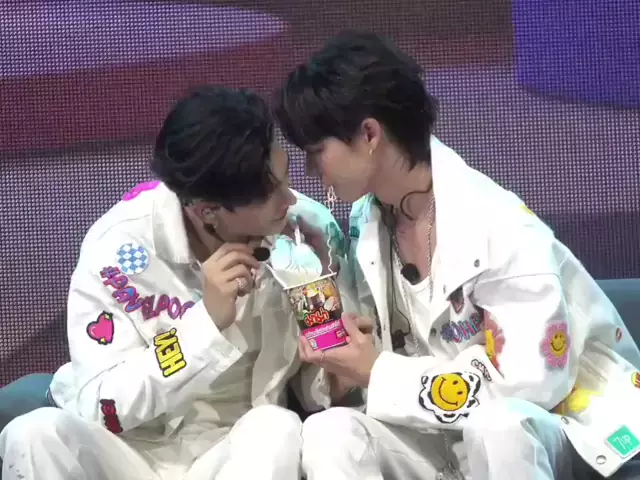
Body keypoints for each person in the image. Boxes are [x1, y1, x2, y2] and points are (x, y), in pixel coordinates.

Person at [274, 30, 640, 480]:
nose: (312, 170)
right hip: (435, 434)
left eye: (316, 152)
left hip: (547, 429)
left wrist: (381, 371)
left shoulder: (499, 226)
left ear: (369, 134)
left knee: (497, 426)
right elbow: (380, 368)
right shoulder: (364, 219)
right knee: (330, 432)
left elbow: (529, 386)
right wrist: (348, 367)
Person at [0, 86, 357, 480]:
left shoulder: (305, 233)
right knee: (33, 434)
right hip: (130, 453)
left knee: (277, 426)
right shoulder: (120, 247)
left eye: (285, 178)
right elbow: (103, 406)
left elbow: (313, 382)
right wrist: (204, 324)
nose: (289, 199)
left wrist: (335, 377)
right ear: (208, 211)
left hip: (235, 452)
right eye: (272, 192)